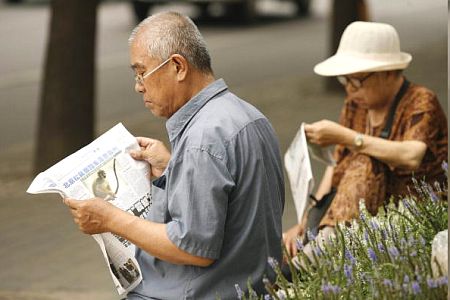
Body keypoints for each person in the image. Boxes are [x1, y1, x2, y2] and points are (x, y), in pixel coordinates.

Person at [64, 11, 284, 299]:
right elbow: (231, 203)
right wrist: (172, 168)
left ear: (178, 66)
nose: (138, 85)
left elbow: (192, 247)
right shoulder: (248, 115)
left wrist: (110, 220)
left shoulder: (202, 139)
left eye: (142, 72)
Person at [283, 21, 448, 257]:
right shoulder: (356, 105)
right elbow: (336, 166)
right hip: (349, 212)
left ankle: (322, 250)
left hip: (407, 212)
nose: (350, 89)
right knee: (289, 242)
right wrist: (307, 216)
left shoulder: (421, 101)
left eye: (357, 80)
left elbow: (411, 155)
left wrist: (349, 138)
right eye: (345, 81)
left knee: (364, 163)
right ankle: (319, 245)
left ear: (389, 72)